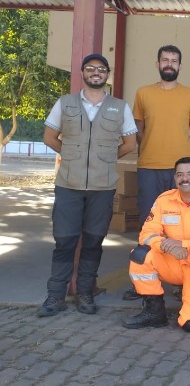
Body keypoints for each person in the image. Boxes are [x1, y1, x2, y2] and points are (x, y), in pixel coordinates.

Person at [37, 54, 137, 317]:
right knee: (64, 241)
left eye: (101, 69)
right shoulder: (65, 103)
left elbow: (130, 144)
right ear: (83, 72)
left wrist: (105, 159)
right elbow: (49, 136)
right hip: (69, 184)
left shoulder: (119, 107)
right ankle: (55, 296)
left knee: (93, 241)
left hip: (102, 188)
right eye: (91, 68)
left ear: (107, 74)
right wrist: (71, 155)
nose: (96, 73)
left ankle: (85, 293)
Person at [124, 44, 190, 301]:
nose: (169, 63)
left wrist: (179, 150)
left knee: (183, 226)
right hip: (148, 165)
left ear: (180, 65)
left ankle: (184, 279)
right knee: (149, 224)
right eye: (165, 59)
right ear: (157, 64)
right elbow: (139, 128)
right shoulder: (143, 93)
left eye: (174, 60)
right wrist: (153, 146)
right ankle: (144, 279)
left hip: (180, 170)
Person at [122, 157, 190, 332]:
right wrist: (163, 245)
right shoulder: (164, 200)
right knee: (140, 256)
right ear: (175, 178)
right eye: (180, 175)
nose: (185, 179)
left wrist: (183, 245)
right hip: (173, 262)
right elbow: (146, 234)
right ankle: (154, 311)